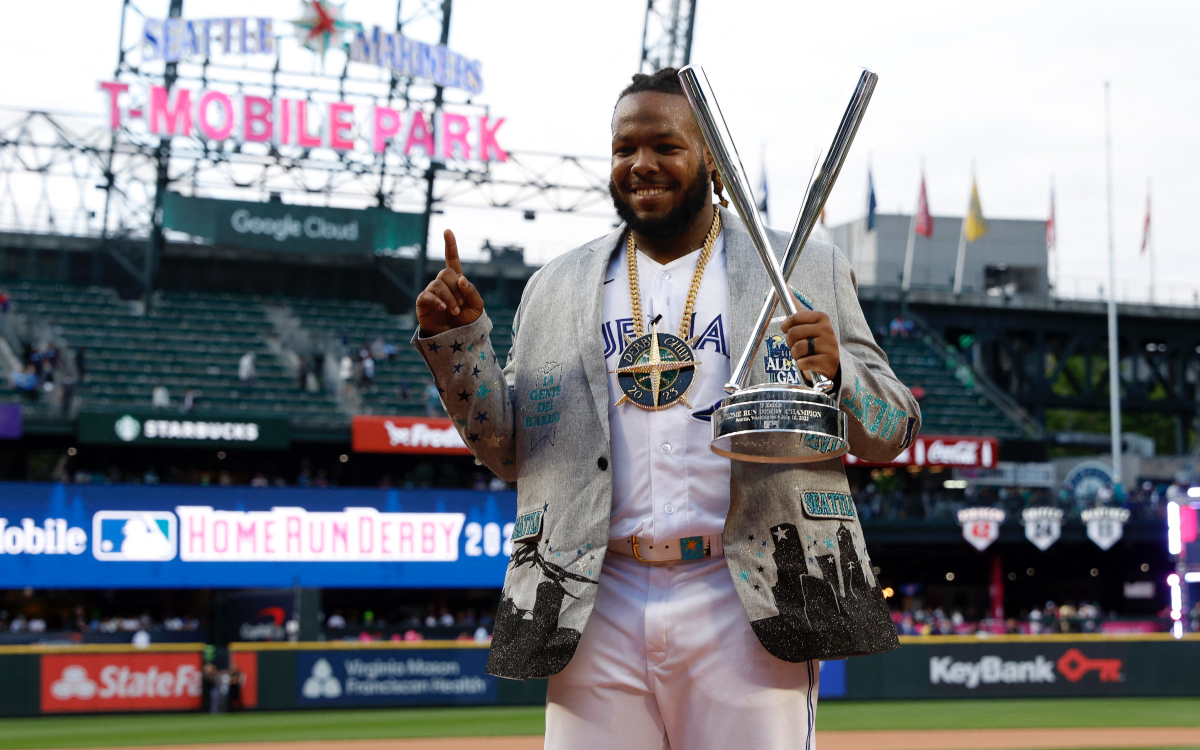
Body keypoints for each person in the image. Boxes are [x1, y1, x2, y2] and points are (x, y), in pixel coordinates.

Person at [413, 68, 920, 749]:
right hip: (594, 597)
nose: (640, 163)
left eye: (664, 146)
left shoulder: (802, 267)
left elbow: (893, 431)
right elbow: (510, 455)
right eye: (624, 148)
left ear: (711, 160)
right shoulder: (554, 286)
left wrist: (840, 373)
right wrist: (460, 347)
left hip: (746, 594)